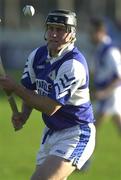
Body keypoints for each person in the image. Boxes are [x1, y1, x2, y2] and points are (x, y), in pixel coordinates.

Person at [0, 10, 96, 180]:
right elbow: (30, 90)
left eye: (60, 29)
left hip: (75, 133)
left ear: (72, 33)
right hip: (51, 132)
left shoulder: (73, 64)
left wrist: (14, 87)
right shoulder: (37, 55)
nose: (53, 34)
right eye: (50, 28)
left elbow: (49, 107)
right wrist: (24, 115)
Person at [89, 17, 121, 134]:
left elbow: (119, 77)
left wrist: (104, 93)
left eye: (92, 32)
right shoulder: (99, 50)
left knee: (91, 129)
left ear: (100, 32)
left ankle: (86, 152)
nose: (89, 35)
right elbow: (94, 74)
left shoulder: (111, 51)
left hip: (111, 95)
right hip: (104, 95)